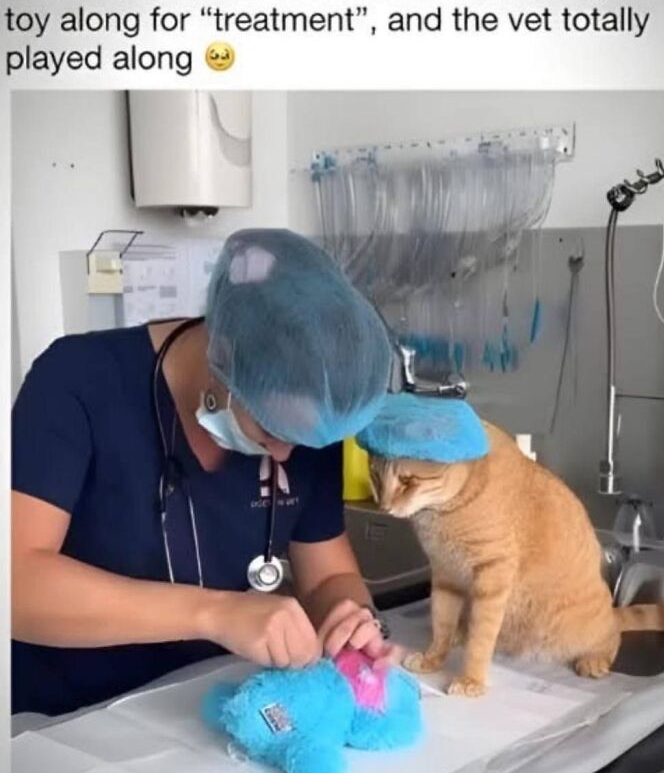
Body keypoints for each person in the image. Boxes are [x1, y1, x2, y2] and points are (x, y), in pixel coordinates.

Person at [12, 228, 397, 716]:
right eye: (269, 430)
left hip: (212, 714)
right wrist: (214, 613)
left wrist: (352, 620)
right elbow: (17, 585)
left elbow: (329, 577)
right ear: (224, 360)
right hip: (70, 721)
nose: (283, 457)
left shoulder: (311, 414)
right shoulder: (77, 382)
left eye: (299, 442)